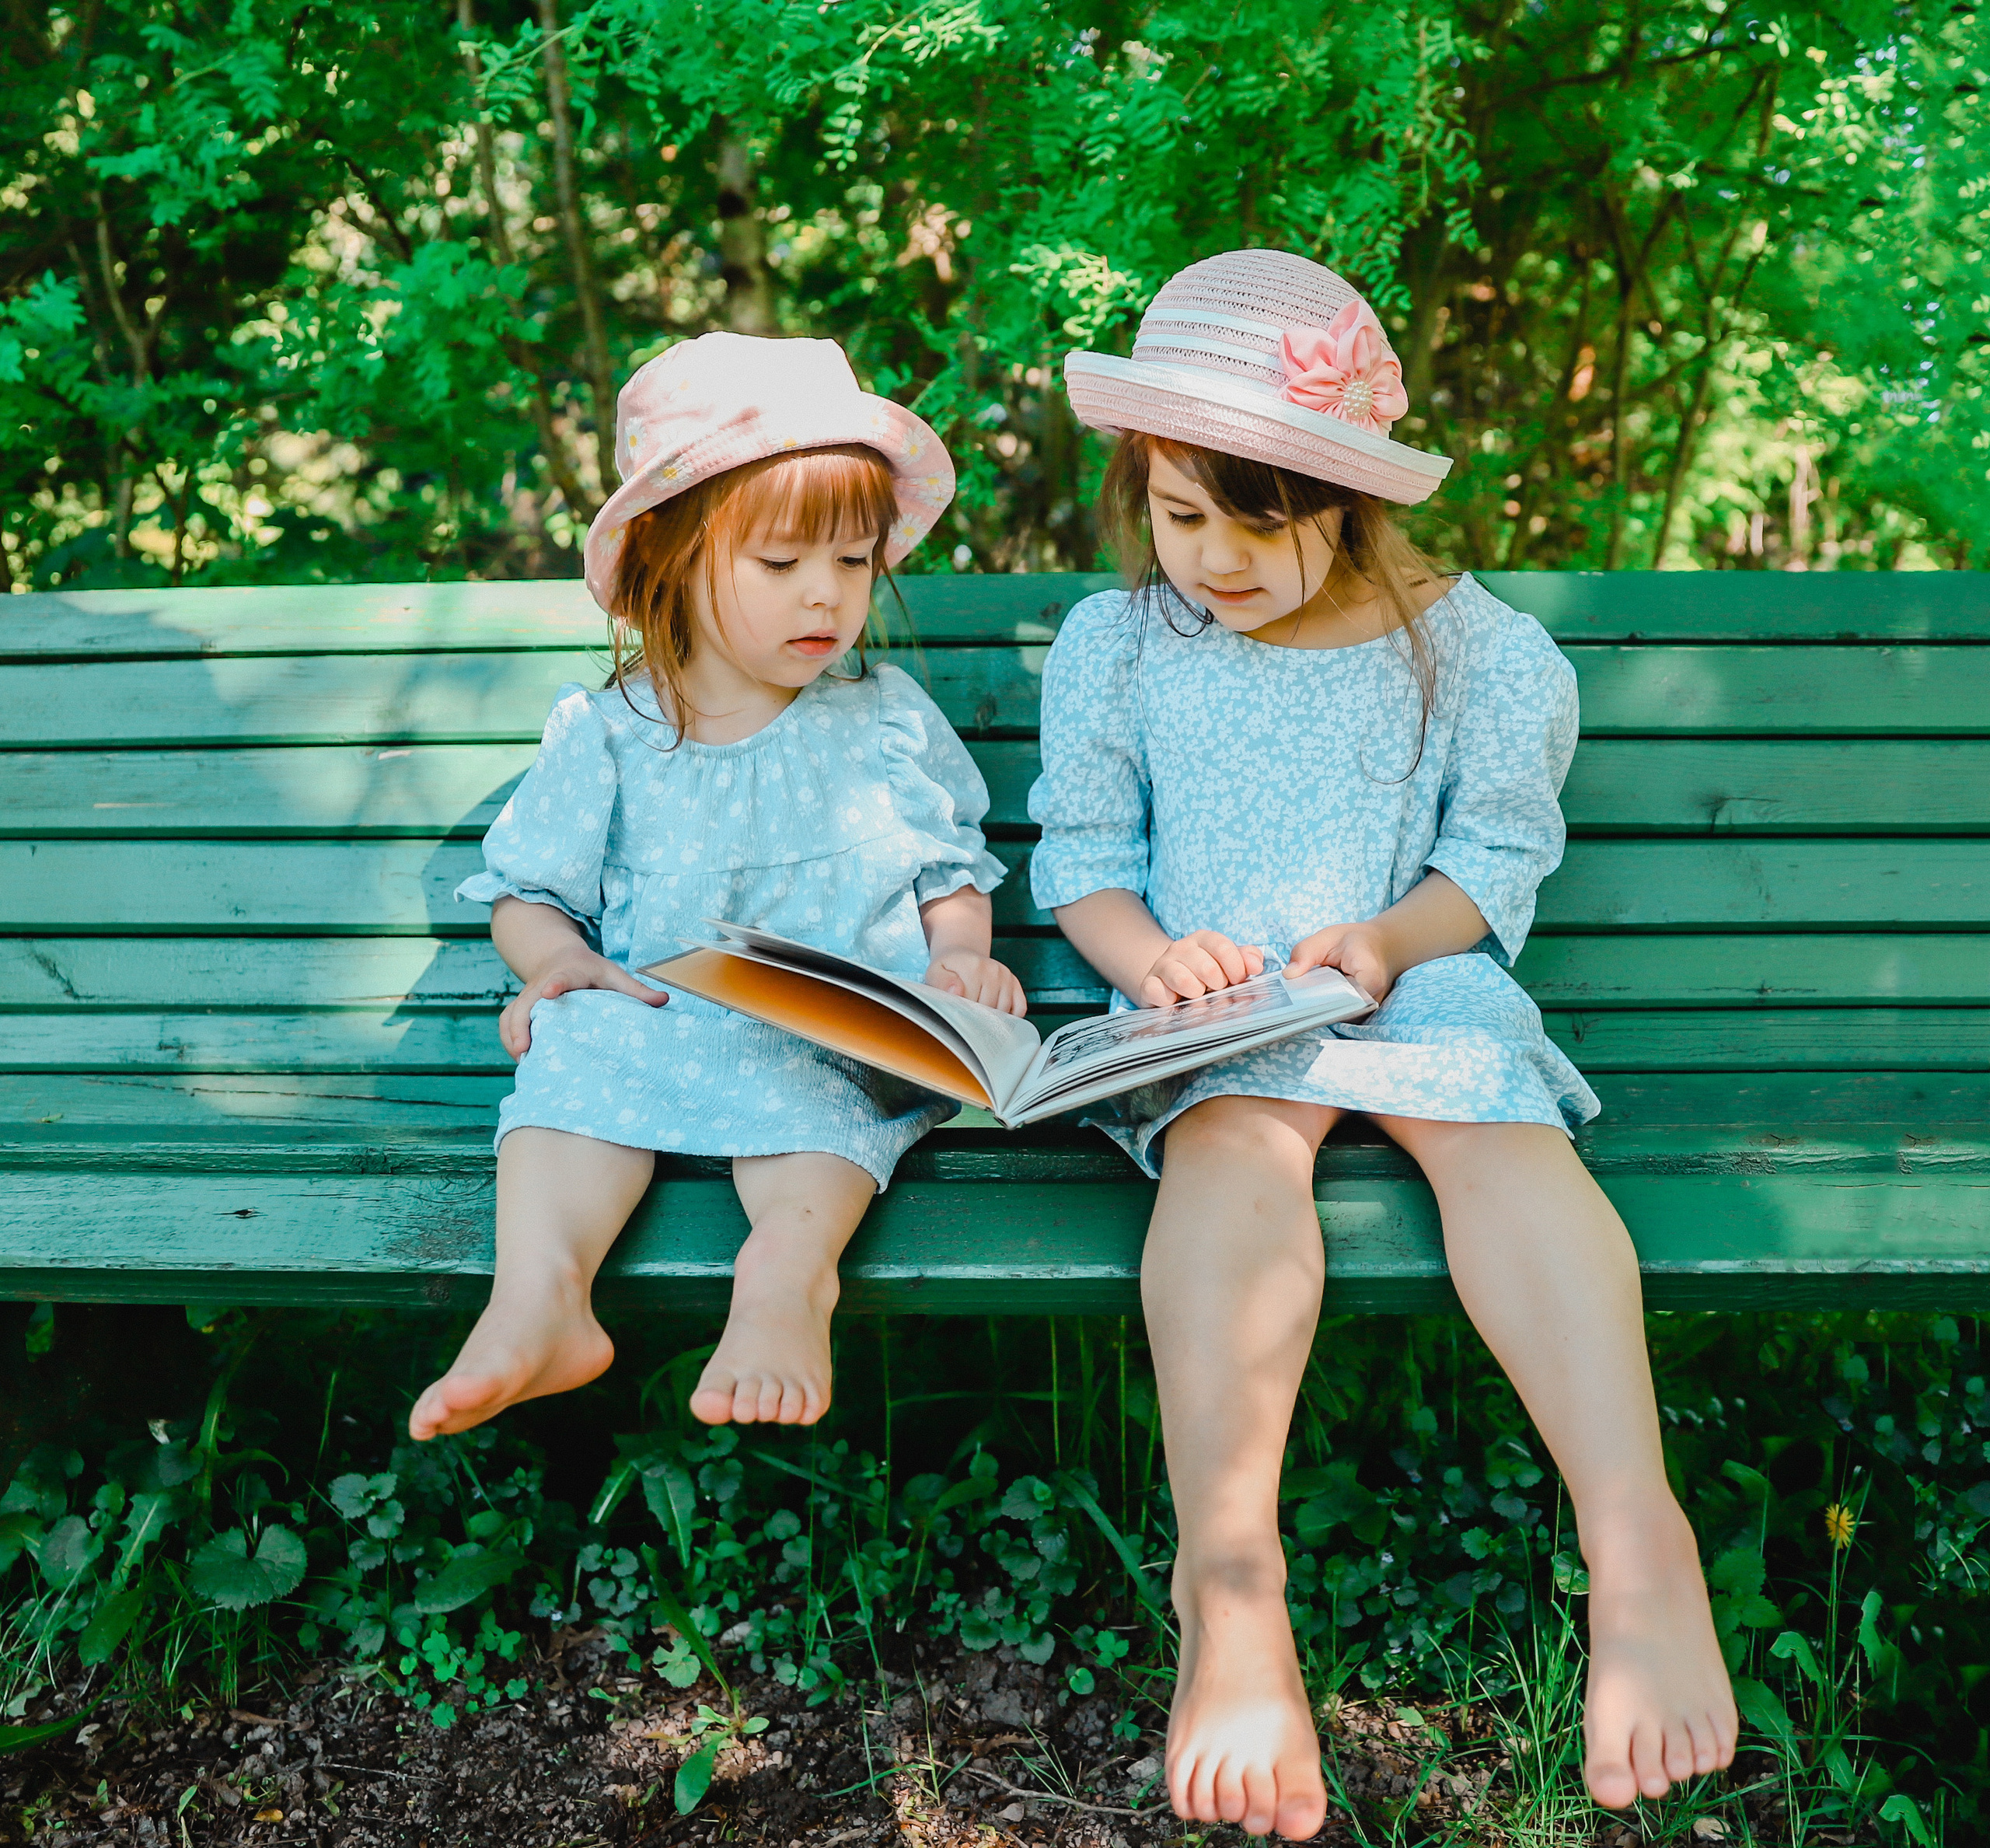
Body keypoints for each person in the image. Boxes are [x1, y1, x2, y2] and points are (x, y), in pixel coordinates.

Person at [1029, 250, 1737, 1836]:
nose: (1207, 556)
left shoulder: (1470, 648)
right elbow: (1078, 851)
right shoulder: (1120, 643)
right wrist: (1153, 963)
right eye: (1173, 512)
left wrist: (1386, 941)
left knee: (1501, 1141)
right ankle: (1228, 1584)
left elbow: (1490, 857)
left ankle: (1636, 1540)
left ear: (1340, 491)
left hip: (1405, 981)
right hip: (1214, 1012)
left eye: (1251, 519)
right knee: (1226, 1152)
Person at [410, 333, 1023, 1443]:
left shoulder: (881, 720)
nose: (827, 597)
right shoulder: (611, 732)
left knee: (826, 1106)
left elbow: (949, 869)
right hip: (665, 1019)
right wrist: (554, 960)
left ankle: (787, 1283)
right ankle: (540, 1296)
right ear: (674, 559)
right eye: (782, 565)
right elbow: (526, 891)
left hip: (831, 1038)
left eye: (850, 562)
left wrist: (959, 955)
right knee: (573, 1039)